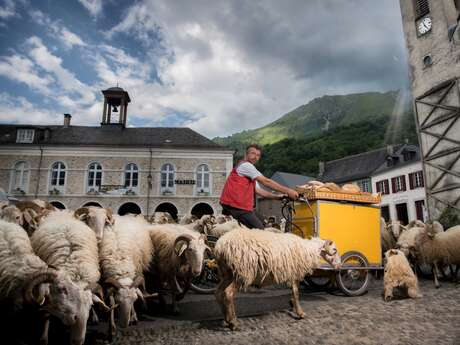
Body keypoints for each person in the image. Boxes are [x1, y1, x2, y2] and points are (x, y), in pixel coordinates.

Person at [220, 144, 299, 229]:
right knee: (260, 231)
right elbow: (266, 181)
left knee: (265, 222)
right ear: (246, 154)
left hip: (242, 207)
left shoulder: (251, 172)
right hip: (236, 207)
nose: (255, 157)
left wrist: (277, 197)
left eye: (258, 155)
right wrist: (288, 191)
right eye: (253, 153)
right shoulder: (246, 165)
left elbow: (259, 191)